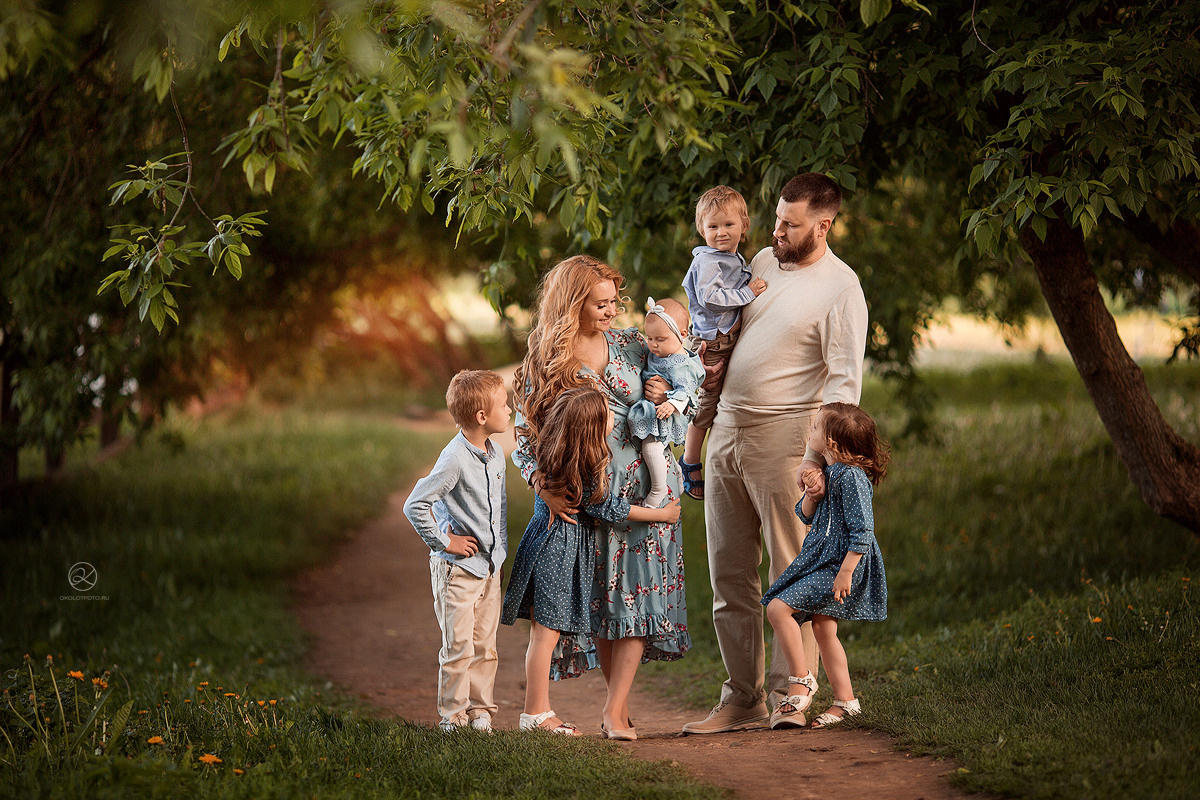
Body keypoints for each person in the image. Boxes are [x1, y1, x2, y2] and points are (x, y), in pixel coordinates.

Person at [681, 173, 869, 735]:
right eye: (778, 218)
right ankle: (742, 699)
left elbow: (844, 385)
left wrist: (821, 461)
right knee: (728, 574)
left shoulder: (841, 288)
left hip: (789, 439)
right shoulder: (759, 261)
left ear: (824, 225)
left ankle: (797, 692)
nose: (777, 230)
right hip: (727, 431)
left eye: (791, 223)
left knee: (792, 572)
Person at [513, 254, 691, 741]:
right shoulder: (548, 361)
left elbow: (685, 373)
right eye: (601, 304)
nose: (612, 311)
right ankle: (607, 708)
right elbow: (524, 436)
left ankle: (616, 710)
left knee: (636, 593)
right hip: (588, 492)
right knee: (605, 602)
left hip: (646, 489)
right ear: (572, 304)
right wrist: (541, 486)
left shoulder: (634, 345)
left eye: (616, 302)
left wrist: (664, 396)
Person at [502, 387, 681, 737]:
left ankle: (537, 712)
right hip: (556, 553)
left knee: (543, 635)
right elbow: (609, 508)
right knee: (545, 636)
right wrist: (660, 514)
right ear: (590, 432)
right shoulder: (578, 472)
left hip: (548, 548)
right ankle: (535, 713)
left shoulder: (558, 455)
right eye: (607, 416)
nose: (613, 418)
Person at [762, 402, 889, 729]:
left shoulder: (853, 477)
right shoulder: (830, 474)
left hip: (839, 565)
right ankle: (846, 702)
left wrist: (846, 572)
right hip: (821, 560)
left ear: (831, 442)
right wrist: (812, 493)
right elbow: (804, 515)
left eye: (816, 427)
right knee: (823, 628)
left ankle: (802, 679)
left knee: (778, 609)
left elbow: (863, 530)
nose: (811, 431)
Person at [402, 369, 510, 733]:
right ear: (482, 417)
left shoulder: (495, 455)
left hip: (489, 569)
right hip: (458, 572)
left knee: (485, 645)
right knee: (458, 646)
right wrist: (444, 541)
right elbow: (415, 505)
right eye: (503, 404)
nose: (509, 409)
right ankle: (452, 716)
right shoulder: (453, 459)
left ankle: (481, 711)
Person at [679, 186, 767, 501]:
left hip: (722, 335)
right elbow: (711, 298)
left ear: (744, 226)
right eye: (712, 226)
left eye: (728, 225)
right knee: (707, 400)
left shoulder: (730, 257)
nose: (720, 232)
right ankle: (689, 461)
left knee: (720, 397)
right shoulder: (707, 262)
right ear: (702, 229)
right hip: (711, 341)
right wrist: (750, 293)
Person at [627, 297, 705, 508]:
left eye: (660, 339)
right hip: (654, 410)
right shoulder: (663, 352)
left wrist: (671, 404)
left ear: (682, 334)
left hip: (665, 413)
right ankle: (677, 473)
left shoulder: (681, 364)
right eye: (650, 338)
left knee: (651, 448)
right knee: (656, 450)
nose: (653, 345)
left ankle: (658, 489)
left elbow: (686, 391)